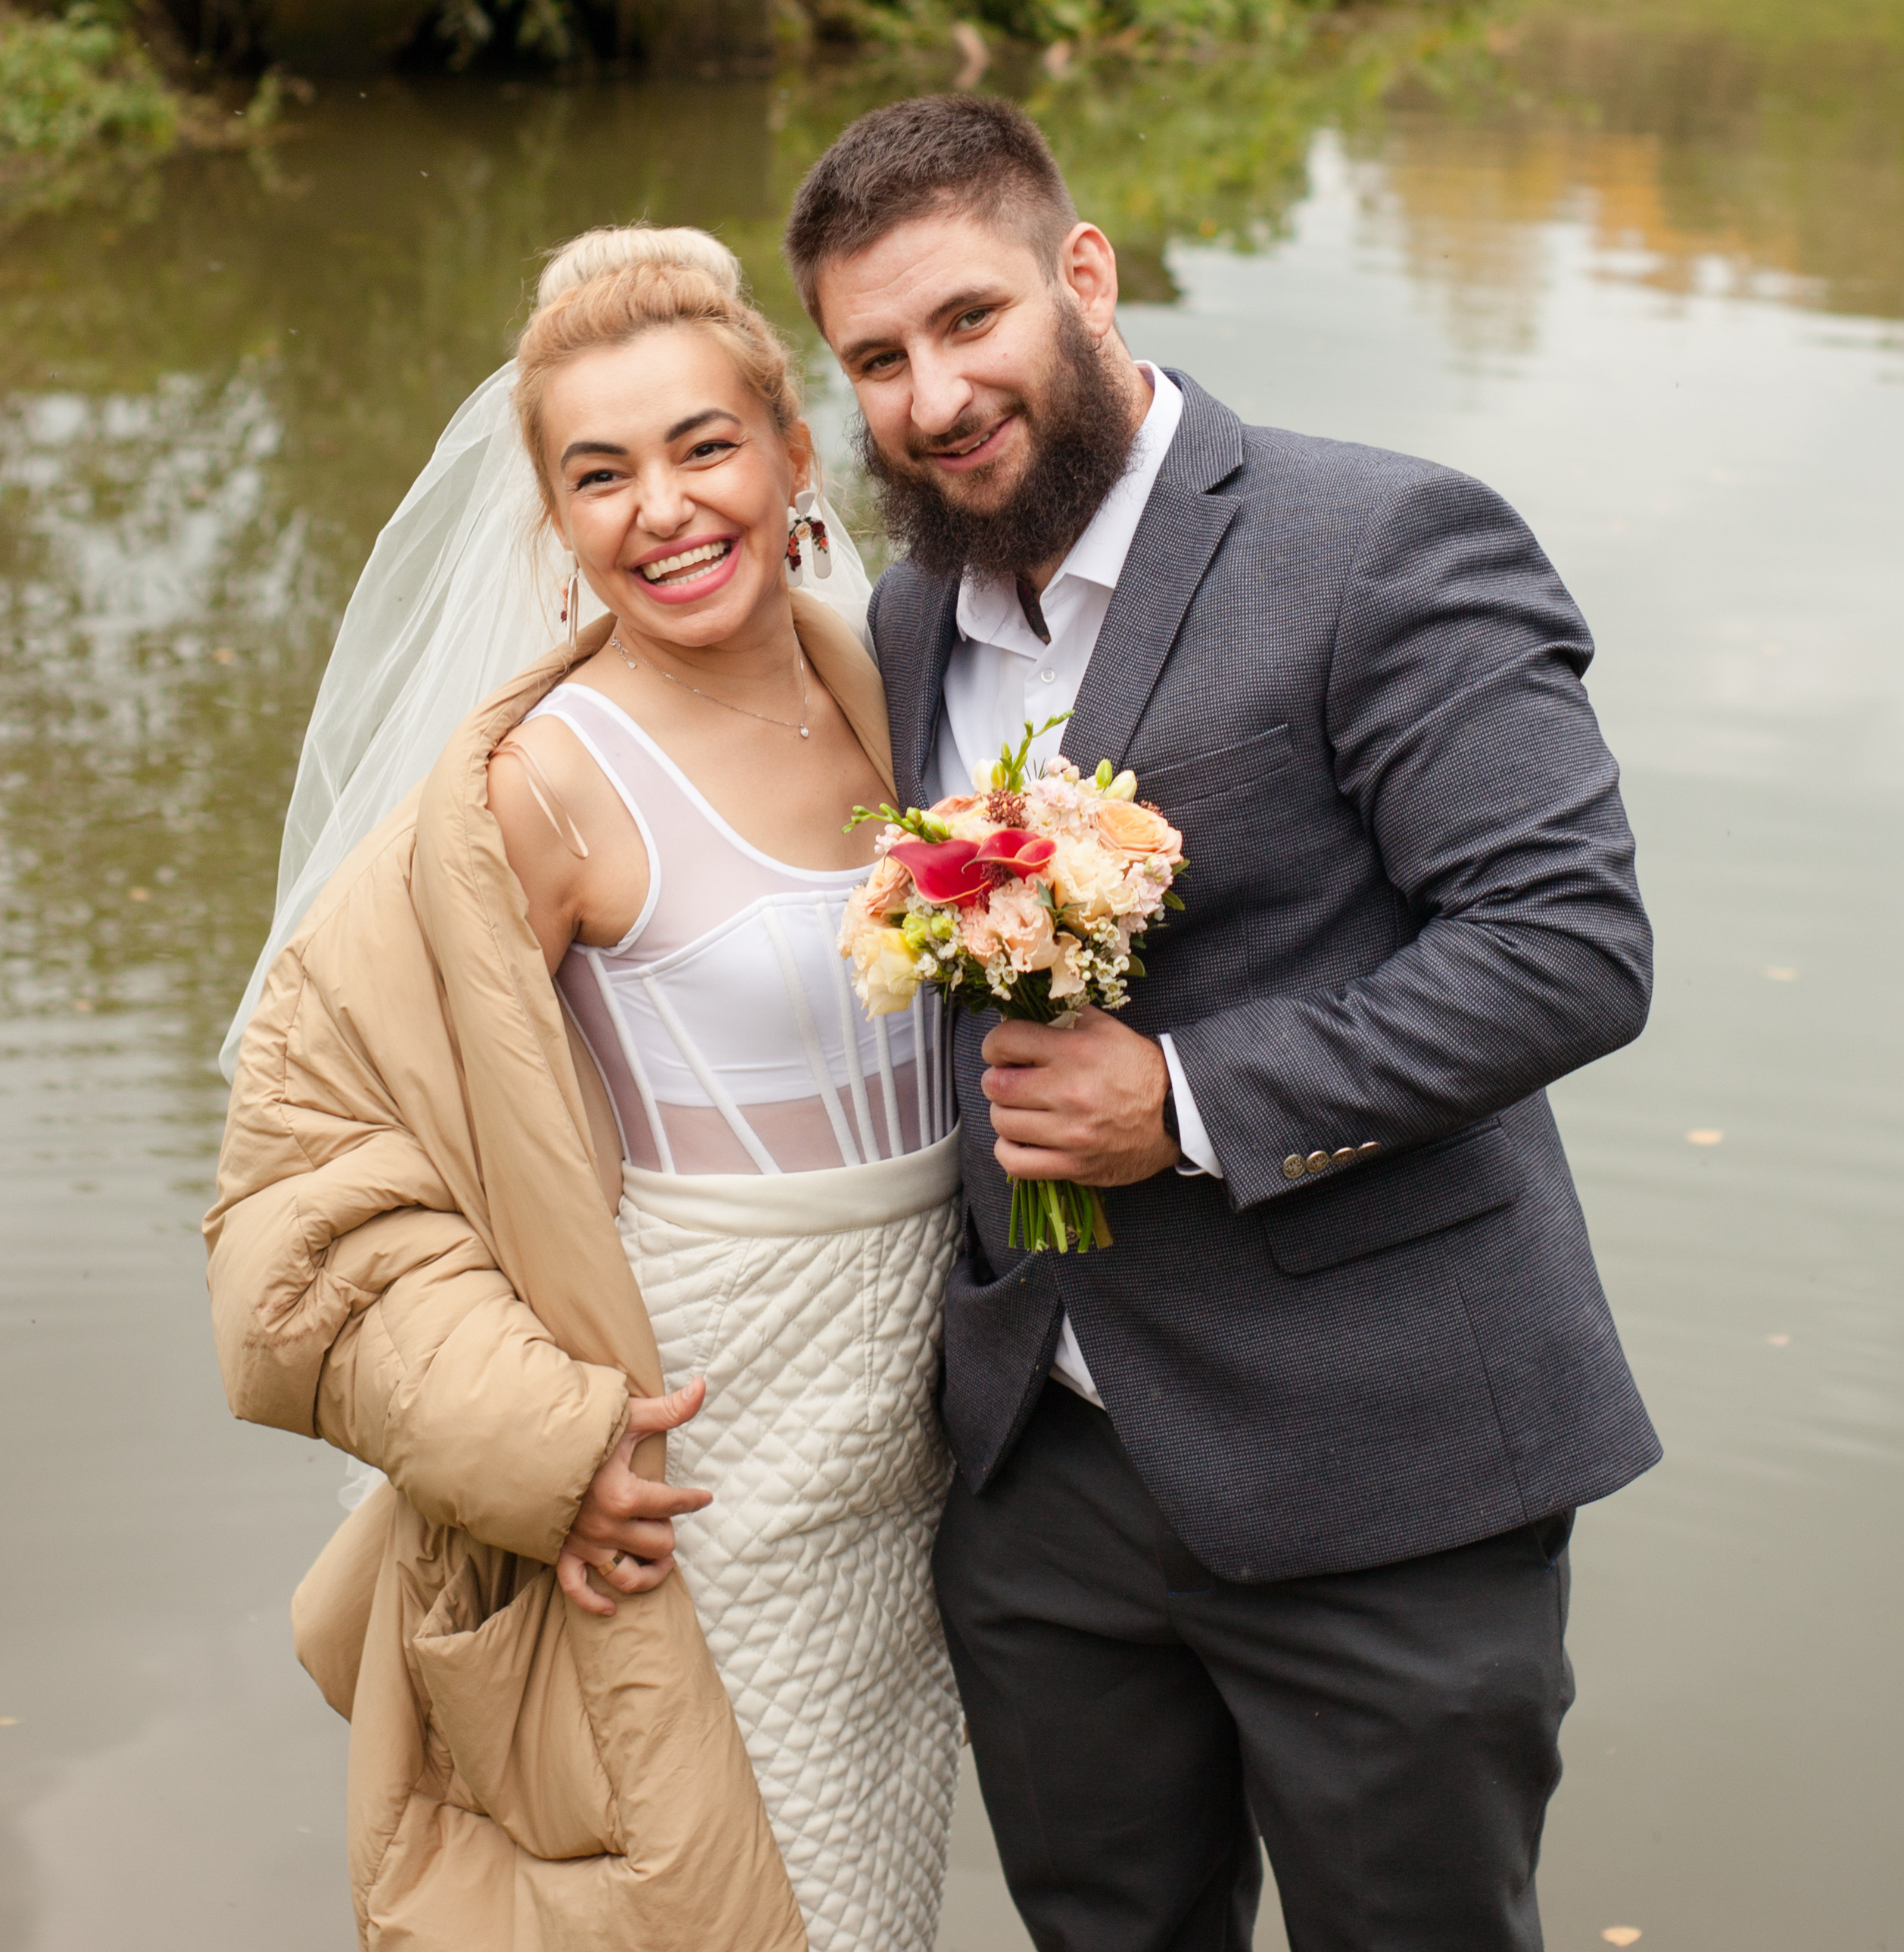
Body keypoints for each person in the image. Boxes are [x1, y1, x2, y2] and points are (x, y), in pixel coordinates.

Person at [784, 95, 1662, 1952]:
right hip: (1048, 1487)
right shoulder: (909, 610)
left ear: (1081, 275)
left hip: (1385, 1477)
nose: (933, 396)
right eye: (876, 356)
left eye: (967, 320)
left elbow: (1567, 940)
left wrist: (1181, 1094)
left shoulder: (1381, 539)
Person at [207, 225, 963, 1952]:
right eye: (600, 471)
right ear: (552, 515)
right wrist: (539, 1443)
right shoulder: (528, 791)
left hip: (913, 1447)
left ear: (793, 452)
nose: (667, 507)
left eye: (705, 445)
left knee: (874, 1895)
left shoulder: (897, 687)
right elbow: (295, 1177)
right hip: (696, 1453)